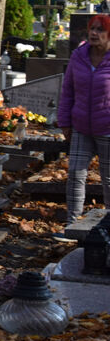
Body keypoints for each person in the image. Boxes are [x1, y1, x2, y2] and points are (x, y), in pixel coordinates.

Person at [55, 14, 110, 240]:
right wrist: (65, 122)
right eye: (92, 29)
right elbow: (68, 90)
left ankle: (108, 226)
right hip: (80, 126)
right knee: (76, 175)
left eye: (100, 29)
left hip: (107, 127)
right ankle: (73, 224)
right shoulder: (79, 56)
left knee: (108, 179)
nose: (94, 33)